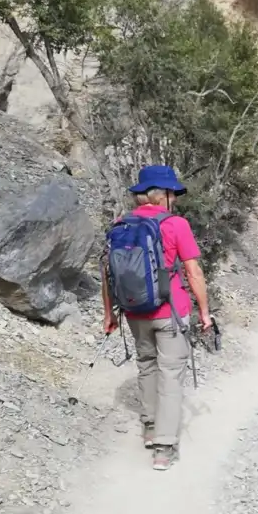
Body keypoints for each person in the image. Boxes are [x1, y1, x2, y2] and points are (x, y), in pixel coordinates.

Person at [101, 165, 212, 471]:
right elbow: (194, 272)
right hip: (170, 312)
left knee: (147, 366)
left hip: (134, 311)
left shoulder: (121, 224)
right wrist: (204, 311)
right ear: (161, 195)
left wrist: (109, 313)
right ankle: (164, 446)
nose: (174, 199)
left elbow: (108, 273)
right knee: (171, 374)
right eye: (172, 193)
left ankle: (150, 428)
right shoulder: (176, 224)